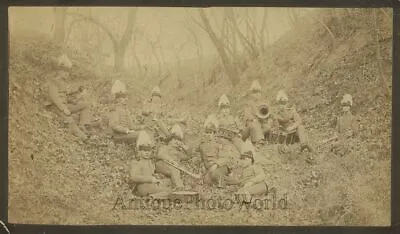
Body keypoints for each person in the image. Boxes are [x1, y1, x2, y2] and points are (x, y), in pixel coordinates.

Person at [46, 54, 91, 140]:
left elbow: (65, 96)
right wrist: (64, 109)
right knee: (70, 120)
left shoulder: (63, 82)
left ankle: (82, 126)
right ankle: (83, 137)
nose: (67, 74)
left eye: (68, 71)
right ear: (59, 71)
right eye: (65, 71)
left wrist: (75, 98)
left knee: (85, 105)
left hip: (65, 106)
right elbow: (54, 98)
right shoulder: (53, 82)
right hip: (56, 107)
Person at [129, 130, 172, 198]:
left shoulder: (149, 162)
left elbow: (151, 173)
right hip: (143, 187)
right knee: (169, 191)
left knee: (168, 183)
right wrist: (150, 179)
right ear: (139, 151)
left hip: (150, 185)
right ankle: (152, 197)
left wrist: (156, 178)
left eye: (148, 150)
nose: (147, 153)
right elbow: (134, 177)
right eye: (144, 150)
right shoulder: (136, 162)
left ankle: (153, 196)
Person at [155, 124, 192, 189]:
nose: (177, 141)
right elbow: (160, 154)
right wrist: (171, 160)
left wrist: (186, 149)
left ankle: (178, 185)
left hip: (172, 168)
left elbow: (187, 157)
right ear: (170, 140)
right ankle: (179, 187)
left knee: (175, 170)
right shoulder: (165, 147)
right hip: (161, 165)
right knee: (174, 169)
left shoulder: (178, 153)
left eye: (179, 140)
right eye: (175, 139)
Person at [198, 114, 231, 187]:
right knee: (207, 181)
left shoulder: (219, 144)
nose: (208, 135)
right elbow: (202, 160)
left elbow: (225, 158)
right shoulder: (202, 145)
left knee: (215, 175)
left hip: (220, 167)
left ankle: (231, 182)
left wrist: (216, 165)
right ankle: (221, 181)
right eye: (207, 133)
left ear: (214, 133)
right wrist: (202, 167)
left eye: (210, 133)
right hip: (209, 169)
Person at [241, 81, 275, 145]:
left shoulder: (263, 104)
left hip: (261, 124)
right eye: (255, 93)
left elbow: (270, 115)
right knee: (255, 125)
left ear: (261, 94)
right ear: (251, 94)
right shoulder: (248, 104)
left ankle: (259, 139)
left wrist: (269, 119)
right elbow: (247, 117)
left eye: (258, 93)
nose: (257, 95)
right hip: (251, 125)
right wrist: (254, 118)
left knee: (267, 127)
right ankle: (258, 141)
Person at [108, 81, 139, 145]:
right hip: (118, 136)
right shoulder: (114, 109)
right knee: (140, 135)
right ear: (118, 99)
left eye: (126, 97)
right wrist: (126, 130)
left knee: (145, 132)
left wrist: (142, 127)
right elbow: (114, 125)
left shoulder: (126, 110)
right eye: (123, 97)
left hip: (126, 134)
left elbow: (131, 126)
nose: (126, 99)